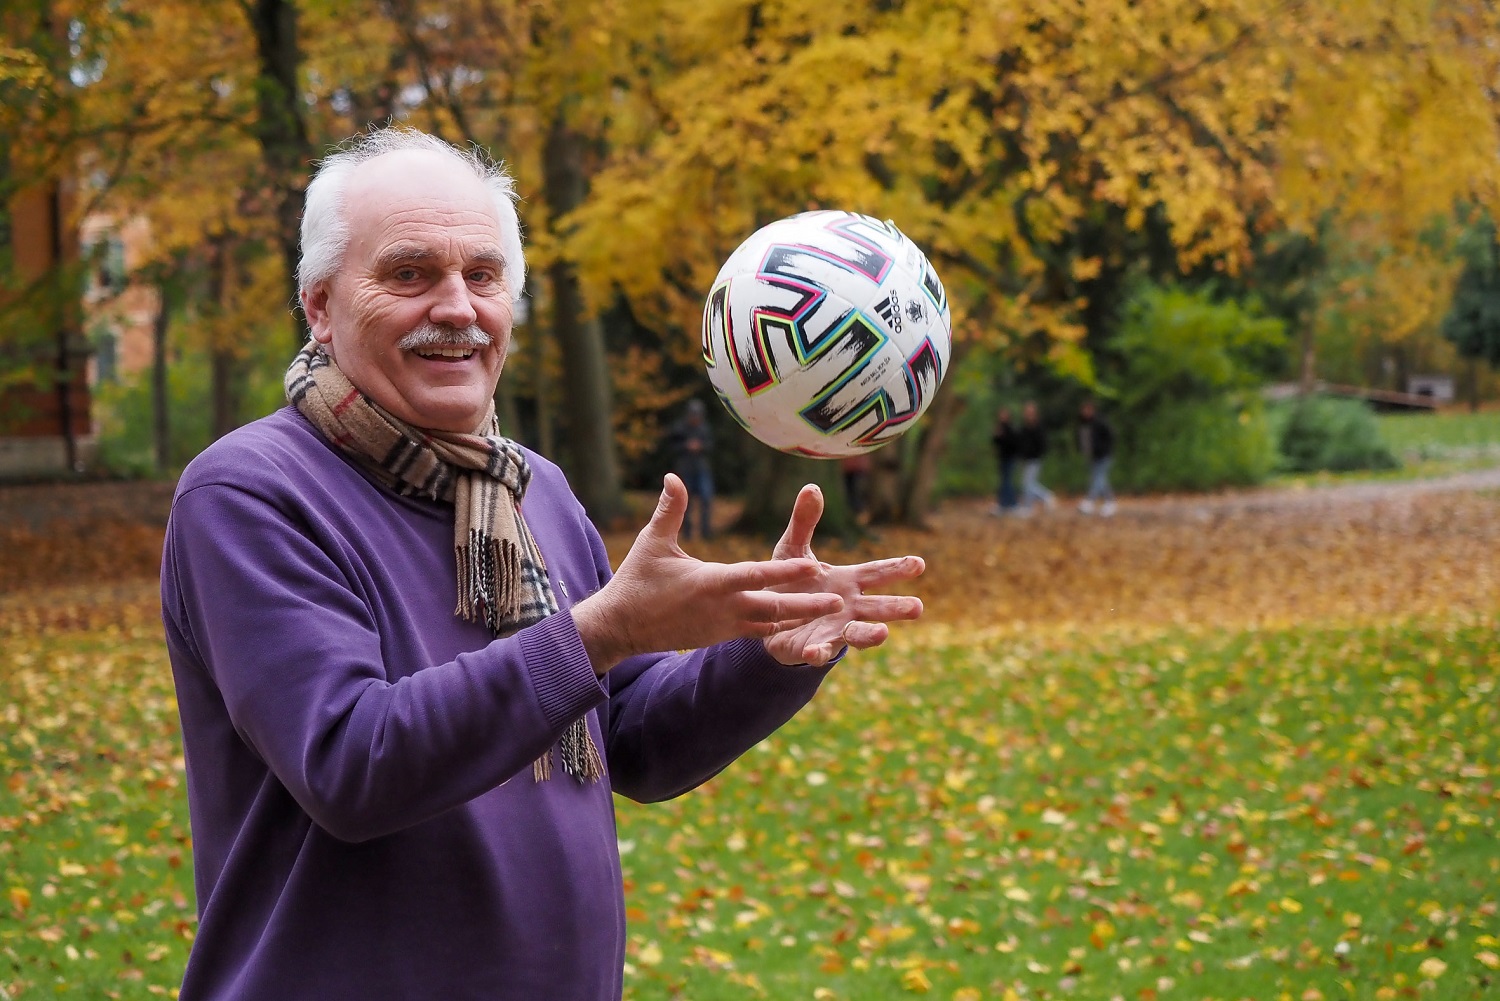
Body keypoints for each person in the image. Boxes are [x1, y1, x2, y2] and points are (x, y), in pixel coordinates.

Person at [159, 127, 925, 1001]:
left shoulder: (534, 490)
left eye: (482, 276)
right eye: (410, 273)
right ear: (322, 305)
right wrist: (603, 630)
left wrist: (766, 650)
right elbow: (351, 760)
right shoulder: (249, 492)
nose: (456, 306)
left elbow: (629, 737)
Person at [668, 397, 714, 539]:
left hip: (701, 468)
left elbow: (711, 446)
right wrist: (686, 446)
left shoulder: (704, 429)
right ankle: (687, 532)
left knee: (706, 498)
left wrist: (700, 447)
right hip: (685, 468)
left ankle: (706, 531)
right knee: (685, 502)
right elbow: (672, 447)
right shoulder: (679, 429)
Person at [1077, 399, 1116, 516]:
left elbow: (1111, 436)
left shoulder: (1100, 422)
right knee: (1100, 480)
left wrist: (1104, 448)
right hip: (1092, 457)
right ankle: (1110, 502)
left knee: (1098, 478)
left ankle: (1089, 501)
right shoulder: (1082, 424)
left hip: (1104, 455)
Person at [1016, 400, 1056, 513]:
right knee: (1027, 483)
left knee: (1028, 483)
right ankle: (1045, 497)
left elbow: (1043, 444)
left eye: (1030, 412)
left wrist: (1037, 453)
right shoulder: (1024, 427)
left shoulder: (1039, 427)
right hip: (1024, 459)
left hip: (1034, 459)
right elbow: (1021, 443)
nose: (1028, 414)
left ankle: (1030, 506)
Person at [990, 405, 1020, 514]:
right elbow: (996, 442)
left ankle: (1010, 504)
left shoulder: (1011, 428)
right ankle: (1006, 503)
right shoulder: (999, 428)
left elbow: (1013, 443)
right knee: (1004, 481)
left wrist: (1002, 437)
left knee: (1007, 482)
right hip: (1002, 458)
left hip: (1010, 458)